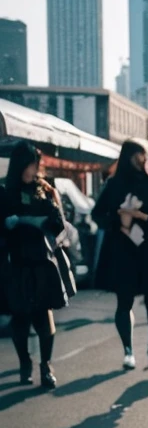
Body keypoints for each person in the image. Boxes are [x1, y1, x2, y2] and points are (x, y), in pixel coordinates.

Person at [93, 140, 148, 370]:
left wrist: (144, 217)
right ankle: (128, 351)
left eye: (145, 155)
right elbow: (97, 213)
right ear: (129, 156)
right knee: (124, 300)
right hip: (122, 248)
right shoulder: (113, 184)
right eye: (139, 155)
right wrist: (119, 221)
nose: (143, 159)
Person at [0, 139, 71, 389]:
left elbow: (59, 224)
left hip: (42, 260)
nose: (35, 169)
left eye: (36, 164)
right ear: (21, 165)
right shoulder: (4, 192)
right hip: (16, 261)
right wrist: (10, 223)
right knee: (20, 318)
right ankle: (24, 363)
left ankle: (46, 366)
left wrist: (51, 210)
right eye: (31, 164)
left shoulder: (43, 189)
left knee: (43, 315)